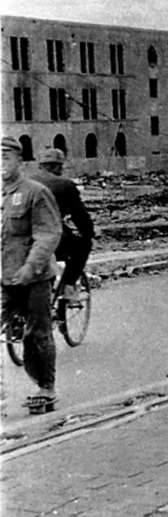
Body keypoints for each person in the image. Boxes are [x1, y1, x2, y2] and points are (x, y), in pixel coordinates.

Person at [1, 137, 62, 413]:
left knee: (37, 333)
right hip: (4, 275)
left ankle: (46, 387)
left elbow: (49, 233)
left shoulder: (35, 193)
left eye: (5, 158)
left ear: (20, 162)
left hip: (33, 277)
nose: (1, 165)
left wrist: (31, 266)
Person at [31, 148, 94, 302]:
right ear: (55, 166)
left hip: (21, 237)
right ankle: (68, 287)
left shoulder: (25, 182)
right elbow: (79, 215)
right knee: (82, 247)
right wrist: (89, 234)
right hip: (51, 238)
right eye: (60, 166)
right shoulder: (65, 185)